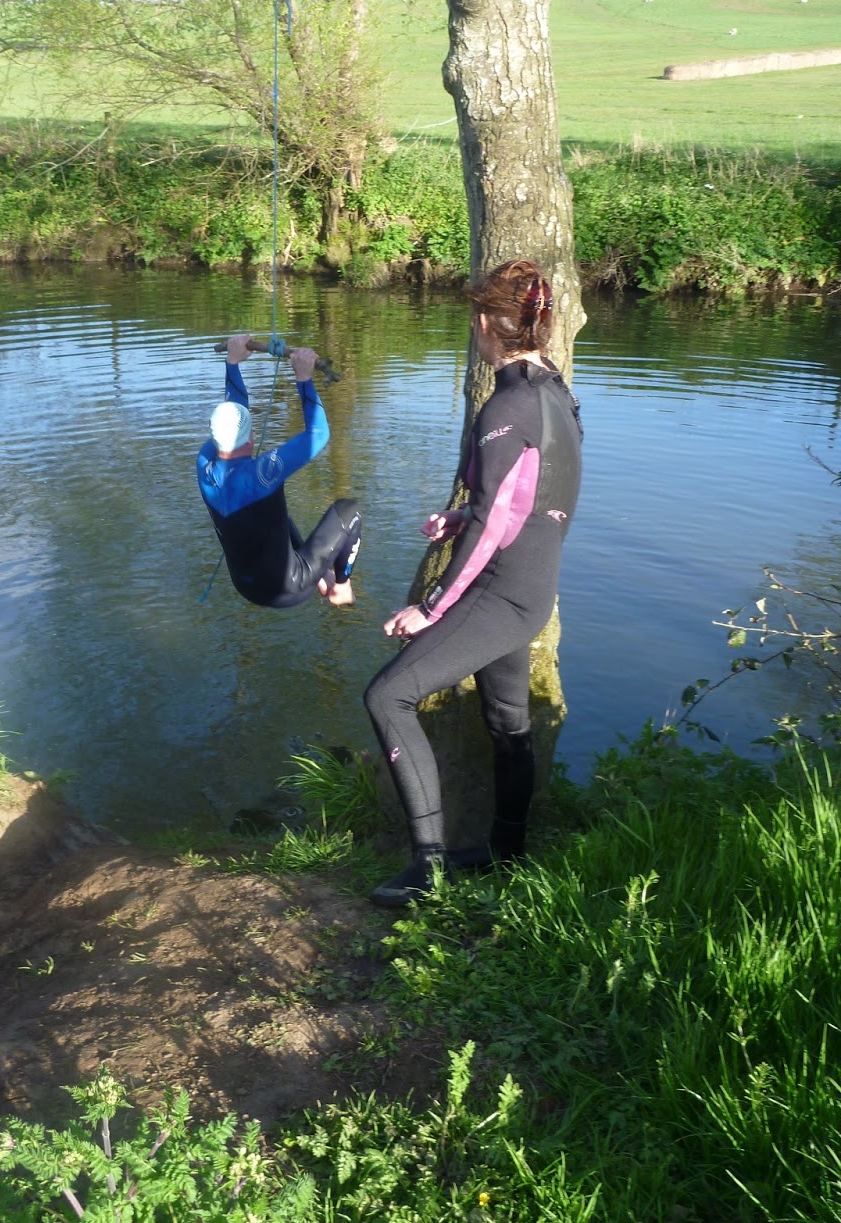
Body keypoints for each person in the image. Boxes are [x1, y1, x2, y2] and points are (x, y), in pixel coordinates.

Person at [363, 260, 583, 908]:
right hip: (532, 589)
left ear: (487, 324)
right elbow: (533, 501)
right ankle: (507, 854)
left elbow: (493, 521)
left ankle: (427, 868)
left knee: (388, 696)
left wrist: (430, 607)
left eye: (475, 321)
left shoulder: (507, 404)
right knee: (507, 720)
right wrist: (460, 516)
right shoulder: (557, 393)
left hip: (500, 590)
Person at [198, 333, 361, 609]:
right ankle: (340, 587)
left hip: (246, 585)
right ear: (250, 440)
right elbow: (318, 435)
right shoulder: (262, 475)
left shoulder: (204, 464)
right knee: (350, 510)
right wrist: (304, 379)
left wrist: (233, 362)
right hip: (289, 588)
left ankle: (319, 578)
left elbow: (234, 412)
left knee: (273, 515)